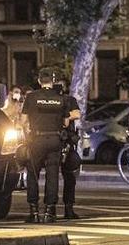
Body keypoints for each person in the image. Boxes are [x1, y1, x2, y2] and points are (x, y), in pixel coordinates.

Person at [20, 69, 68, 223]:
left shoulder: (31, 97)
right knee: (52, 175)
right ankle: (50, 211)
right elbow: (66, 122)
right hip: (55, 138)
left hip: (37, 139)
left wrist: (29, 131)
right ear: (52, 81)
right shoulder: (60, 98)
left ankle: (34, 211)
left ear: (39, 81)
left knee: (33, 175)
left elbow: (23, 120)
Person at [54, 79, 82, 219]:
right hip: (52, 139)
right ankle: (50, 209)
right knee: (51, 176)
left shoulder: (69, 100)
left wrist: (64, 116)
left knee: (70, 175)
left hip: (67, 141)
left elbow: (77, 114)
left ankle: (68, 207)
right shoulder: (49, 100)